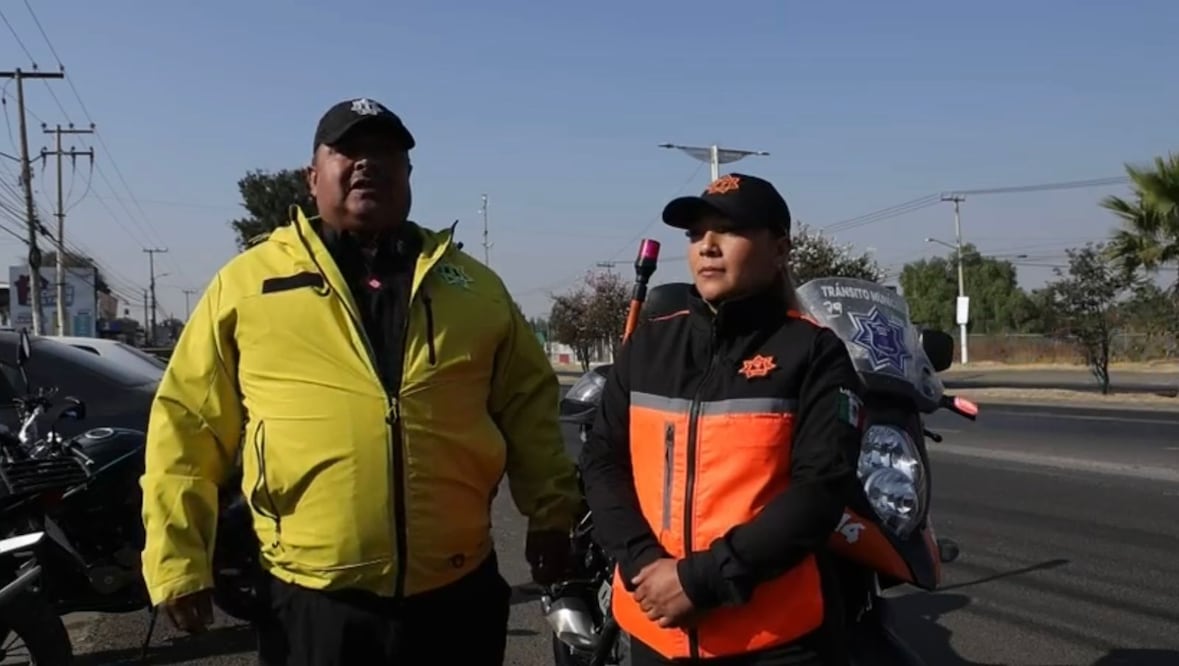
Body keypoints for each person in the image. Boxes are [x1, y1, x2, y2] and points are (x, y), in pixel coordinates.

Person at [140, 97, 581, 665]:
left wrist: (551, 514)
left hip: (456, 596)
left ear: (409, 176)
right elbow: (187, 424)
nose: (368, 164)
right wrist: (178, 559)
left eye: (386, 153)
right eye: (348, 150)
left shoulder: (474, 288)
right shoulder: (248, 285)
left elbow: (530, 409)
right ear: (312, 175)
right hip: (313, 602)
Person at [578, 173, 864, 665]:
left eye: (728, 230)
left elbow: (820, 490)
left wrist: (698, 581)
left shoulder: (814, 352)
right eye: (694, 235)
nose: (706, 247)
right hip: (653, 627)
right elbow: (603, 462)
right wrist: (648, 569)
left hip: (773, 640)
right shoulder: (648, 346)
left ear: (779, 250)